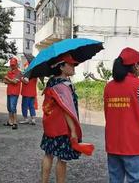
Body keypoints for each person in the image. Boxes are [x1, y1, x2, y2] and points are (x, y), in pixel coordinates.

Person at [104, 48, 139, 183]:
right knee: (136, 180)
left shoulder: (108, 87)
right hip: (135, 145)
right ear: (135, 65)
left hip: (113, 144)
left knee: (115, 180)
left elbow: (107, 114)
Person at [41, 54, 87, 183]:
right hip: (62, 128)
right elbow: (67, 110)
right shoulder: (64, 86)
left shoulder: (51, 82)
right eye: (71, 64)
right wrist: (73, 130)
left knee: (48, 154)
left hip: (50, 125)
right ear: (61, 66)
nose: (73, 67)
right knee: (62, 159)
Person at [3, 57, 21, 129]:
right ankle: (10, 121)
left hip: (15, 92)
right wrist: (11, 81)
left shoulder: (19, 73)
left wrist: (8, 79)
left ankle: (15, 122)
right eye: (11, 65)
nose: (12, 66)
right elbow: (4, 82)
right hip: (9, 91)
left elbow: (15, 82)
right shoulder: (9, 72)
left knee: (13, 107)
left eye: (14, 65)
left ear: (16, 64)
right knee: (9, 107)